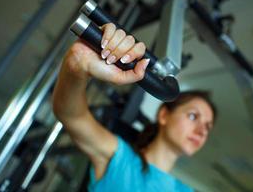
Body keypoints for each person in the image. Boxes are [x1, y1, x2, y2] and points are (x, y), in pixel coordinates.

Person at [52, 23, 217, 192]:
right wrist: (78, 63)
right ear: (164, 116)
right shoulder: (119, 159)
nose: (202, 131)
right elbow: (71, 116)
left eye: (207, 127)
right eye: (193, 116)